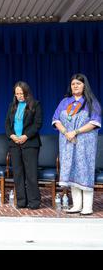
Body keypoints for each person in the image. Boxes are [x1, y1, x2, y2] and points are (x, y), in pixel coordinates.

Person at [52, 74, 101, 215]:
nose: (75, 86)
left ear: (84, 85)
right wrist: (67, 132)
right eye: (73, 84)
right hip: (67, 142)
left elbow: (94, 122)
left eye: (78, 83)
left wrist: (76, 132)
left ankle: (87, 207)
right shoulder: (64, 102)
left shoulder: (91, 102)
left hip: (84, 144)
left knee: (84, 170)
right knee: (71, 170)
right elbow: (56, 119)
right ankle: (77, 205)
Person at [5, 82, 42, 209]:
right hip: (15, 144)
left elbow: (37, 124)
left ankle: (34, 202)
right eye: (17, 94)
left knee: (31, 174)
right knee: (18, 173)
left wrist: (25, 136)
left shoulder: (35, 104)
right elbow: (7, 125)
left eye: (21, 93)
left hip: (30, 143)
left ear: (27, 93)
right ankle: (21, 201)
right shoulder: (12, 106)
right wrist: (12, 136)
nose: (19, 96)